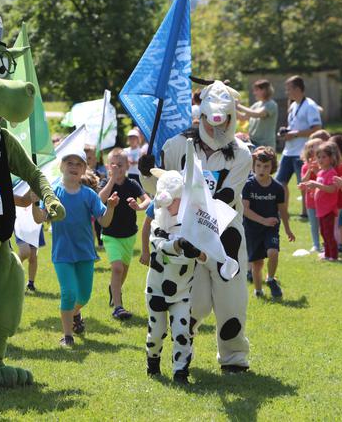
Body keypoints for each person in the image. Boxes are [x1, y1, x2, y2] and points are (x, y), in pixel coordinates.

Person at [139, 80, 251, 373]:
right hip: (184, 234)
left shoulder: (241, 154)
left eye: (224, 119)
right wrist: (146, 172)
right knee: (193, 302)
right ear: (200, 116)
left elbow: (227, 196)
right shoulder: (175, 146)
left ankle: (234, 359)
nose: (216, 127)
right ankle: (182, 348)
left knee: (231, 301)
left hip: (226, 234)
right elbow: (161, 191)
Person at [33, 150, 118, 347]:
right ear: (61, 167)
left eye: (78, 164)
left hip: (85, 253)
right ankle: (67, 335)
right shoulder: (52, 192)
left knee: (84, 296)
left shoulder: (88, 195)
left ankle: (75, 312)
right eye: (69, 162)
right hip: (62, 253)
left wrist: (111, 207)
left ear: (84, 169)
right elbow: (40, 219)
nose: (73, 166)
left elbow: (104, 222)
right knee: (69, 293)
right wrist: (33, 203)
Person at [145, 169, 206, 384]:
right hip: (157, 289)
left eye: (176, 201)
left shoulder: (195, 225)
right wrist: (179, 245)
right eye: (168, 202)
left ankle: (181, 371)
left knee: (182, 332)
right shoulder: (158, 224)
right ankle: (153, 361)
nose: (171, 207)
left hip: (182, 291)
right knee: (156, 333)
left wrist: (197, 252)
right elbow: (159, 245)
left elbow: (206, 255)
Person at [99, 148, 150, 320]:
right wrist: (112, 180)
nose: (117, 168)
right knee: (117, 268)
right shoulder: (106, 182)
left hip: (129, 236)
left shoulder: (132, 184)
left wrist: (139, 207)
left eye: (120, 165)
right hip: (110, 235)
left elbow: (147, 200)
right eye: (113, 165)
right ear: (108, 166)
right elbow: (100, 199)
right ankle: (118, 307)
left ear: (127, 166)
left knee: (123, 272)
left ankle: (114, 291)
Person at [242, 147, 295, 298]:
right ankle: (258, 291)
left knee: (273, 252)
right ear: (253, 166)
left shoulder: (277, 187)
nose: (261, 169)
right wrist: (263, 220)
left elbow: (283, 210)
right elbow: (245, 210)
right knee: (257, 264)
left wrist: (288, 229)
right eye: (258, 165)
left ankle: (271, 279)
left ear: (272, 167)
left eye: (266, 166)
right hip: (252, 229)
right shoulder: (248, 185)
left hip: (271, 227)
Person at [275, 75, 323, 218]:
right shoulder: (293, 105)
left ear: (297, 89)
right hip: (288, 151)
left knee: (303, 183)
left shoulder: (310, 106)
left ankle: (305, 213)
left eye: (288, 89)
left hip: (302, 151)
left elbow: (317, 128)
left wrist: (295, 134)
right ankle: (283, 211)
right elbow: (295, 127)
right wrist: (286, 131)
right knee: (280, 182)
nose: (287, 92)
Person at [299, 141, 340, 260]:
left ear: (331, 158)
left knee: (328, 233)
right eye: (319, 157)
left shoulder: (332, 173)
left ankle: (333, 255)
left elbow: (332, 189)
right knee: (323, 233)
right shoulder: (321, 172)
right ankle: (327, 254)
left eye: (324, 157)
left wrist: (316, 184)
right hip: (321, 209)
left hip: (328, 209)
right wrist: (307, 186)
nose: (320, 160)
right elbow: (318, 187)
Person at [14, 192, 45, 293]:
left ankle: (31, 283)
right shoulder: (20, 181)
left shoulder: (40, 181)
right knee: (25, 252)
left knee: (33, 256)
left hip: (35, 225)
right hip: (21, 223)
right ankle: (11, 275)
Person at [237, 79, 278, 149]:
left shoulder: (271, 104)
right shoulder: (256, 105)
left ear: (264, 90)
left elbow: (257, 114)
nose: (254, 93)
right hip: (253, 143)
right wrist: (231, 107)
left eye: (256, 90)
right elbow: (243, 117)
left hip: (265, 146)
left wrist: (238, 105)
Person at [300, 138, 324, 252]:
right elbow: (303, 181)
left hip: (322, 199)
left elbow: (323, 178)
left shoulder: (323, 164)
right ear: (310, 150)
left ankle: (325, 244)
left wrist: (316, 171)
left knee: (323, 223)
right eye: (317, 145)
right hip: (310, 199)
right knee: (314, 224)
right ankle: (316, 244)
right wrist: (310, 170)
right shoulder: (305, 166)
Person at [85, 145, 107, 249]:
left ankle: (100, 242)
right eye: (85, 158)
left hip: (98, 201)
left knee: (99, 223)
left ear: (96, 158)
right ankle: (90, 246)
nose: (87, 160)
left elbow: (104, 184)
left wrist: (102, 178)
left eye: (89, 158)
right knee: (90, 225)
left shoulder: (101, 170)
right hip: (86, 202)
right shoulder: (83, 171)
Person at [330, 135, 342, 252]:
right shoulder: (336, 165)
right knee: (335, 223)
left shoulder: (341, 166)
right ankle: (335, 242)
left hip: (340, 200)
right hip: (333, 200)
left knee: (339, 223)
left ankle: (340, 244)